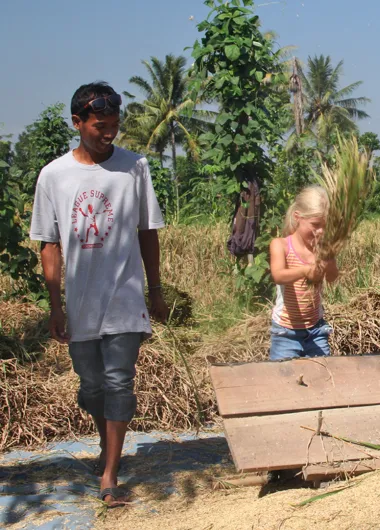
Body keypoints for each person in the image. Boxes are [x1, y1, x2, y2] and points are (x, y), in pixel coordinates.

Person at [29, 82, 168, 507]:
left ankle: (109, 473)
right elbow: (49, 245)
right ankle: (108, 445)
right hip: (81, 304)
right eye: (99, 126)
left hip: (126, 298)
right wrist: (56, 306)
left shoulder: (135, 167)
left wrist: (156, 291)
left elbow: (148, 232)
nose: (109, 134)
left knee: (118, 382)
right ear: (78, 124)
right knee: (91, 387)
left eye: (114, 126)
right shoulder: (54, 175)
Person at [269, 186, 339, 359]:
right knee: (282, 378)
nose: (320, 231)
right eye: (315, 225)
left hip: (316, 329)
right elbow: (278, 276)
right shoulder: (281, 245)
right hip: (286, 331)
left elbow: (332, 278)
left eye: (325, 226)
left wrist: (328, 258)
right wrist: (305, 271)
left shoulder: (322, 250)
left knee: (324, 375)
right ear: (297, 217)